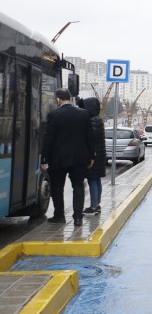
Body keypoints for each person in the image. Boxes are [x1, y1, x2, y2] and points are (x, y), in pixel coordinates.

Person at [41, 88, 94, 227]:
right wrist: (91, 156)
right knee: (78, 186)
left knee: (57, 188)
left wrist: (44, 159)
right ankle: (78, 218)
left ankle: (59, 216)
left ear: (58, 100)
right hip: (79, 158)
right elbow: (90, 137)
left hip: (58, 159)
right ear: (70, 99)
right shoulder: (84, 114)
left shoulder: (53, 115)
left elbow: (49, 139)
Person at [79, 97, 106, 216]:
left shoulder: (91, 121)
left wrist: (89, 157)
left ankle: (93, 206)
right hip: (100, 155)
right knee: (97, 179)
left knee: (92, 180)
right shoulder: (98, 119)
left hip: (94, 156)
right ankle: (97, 204)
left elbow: (90, 140)